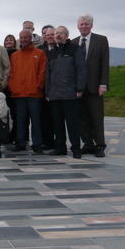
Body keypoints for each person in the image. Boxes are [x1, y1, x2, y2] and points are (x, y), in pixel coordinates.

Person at [71, 14, 110, 157]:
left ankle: (99, 146)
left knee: (97, 117)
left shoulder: (101, 40)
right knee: (82, 117)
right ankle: (88, 143)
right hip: (78, 88)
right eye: (81, 24)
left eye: (86, 24)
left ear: (91, 25)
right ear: (77, 26)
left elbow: (104, 63)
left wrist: (103, 84)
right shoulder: (74, 43)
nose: (84, 27)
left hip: (95, 86)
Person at [46, 26, 86, 159]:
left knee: (72, 124)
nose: (58, 35)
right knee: (57, 124)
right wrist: (48, 92)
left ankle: (76, 148)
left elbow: (81, 69)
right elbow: (48, 75)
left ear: (67, 36)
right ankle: (60, 148)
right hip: (55, 95)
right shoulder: (51, 53)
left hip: (70, 94)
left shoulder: (75, 49)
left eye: (61, 33)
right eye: (56, 33)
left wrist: (80, 89)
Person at [9, 29, 47, 153]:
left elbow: (42, 72)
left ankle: (37, 144)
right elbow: (12, 73)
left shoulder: (40, 54)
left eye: (26, 37)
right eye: (22, 37)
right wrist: (12, 86)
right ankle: (20, 143)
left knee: (36, 120)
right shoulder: (15, 56)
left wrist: (38, 85)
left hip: (34, 93)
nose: (24, 39)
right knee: (20, 120)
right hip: (18, 93)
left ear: (31, 38)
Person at [38, 27, 57, 150]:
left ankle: (58, 141)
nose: (49, 36)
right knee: (44, 117)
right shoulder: (40, 50)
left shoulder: (60, 49)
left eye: (51, 34)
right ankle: (47, 141)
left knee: (56, 117)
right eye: (46, 34)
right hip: (42, 88)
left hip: (57, 88)